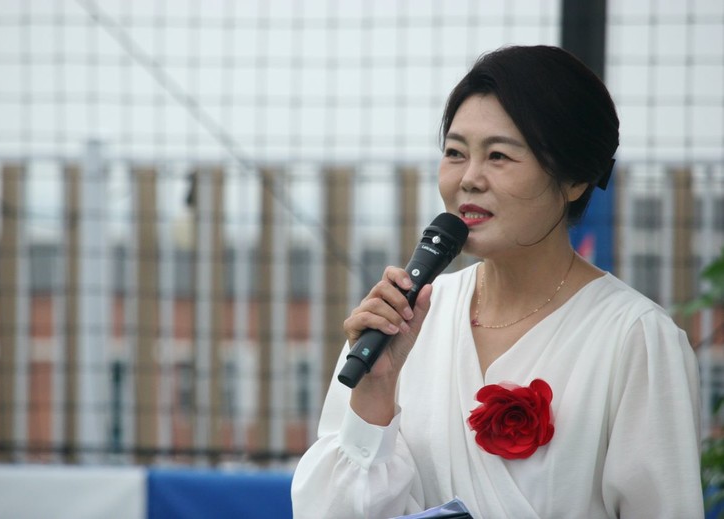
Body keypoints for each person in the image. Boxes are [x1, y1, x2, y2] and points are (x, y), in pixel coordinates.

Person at [290, 45, 703, 518]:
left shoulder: (635, 338)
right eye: (455, 153)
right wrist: (374, 394)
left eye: (499, 156)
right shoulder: (404, 321)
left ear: (575, 178)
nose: (469, 178)